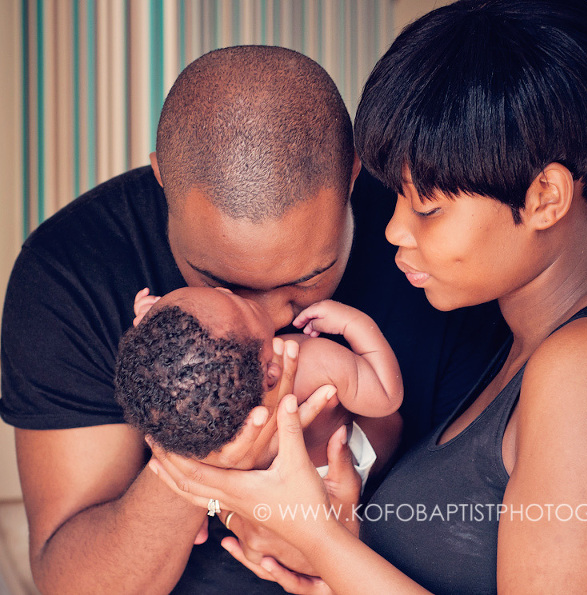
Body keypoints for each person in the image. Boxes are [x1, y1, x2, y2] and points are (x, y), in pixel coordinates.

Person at [148, 1, 587, 593]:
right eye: (397, 197)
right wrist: (334, 564)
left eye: (428, 208)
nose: (393, 230)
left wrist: (320, 541)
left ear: (545, 197)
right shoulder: (534, 343)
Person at [0, 45, 507, 593]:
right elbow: (73, 584)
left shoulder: (439, 251)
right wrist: (192, 465)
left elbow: (491, 522)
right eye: (221, 283)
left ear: (353, 175)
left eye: (306, 278)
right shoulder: (71, 270)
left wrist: (328, 541)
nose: (266, 327)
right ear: (163, 178)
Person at [118, 287, 402, 481]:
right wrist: (355, 324)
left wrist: (154, 325)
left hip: (258, 500)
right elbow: (387, 396)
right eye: (244, 306)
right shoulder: (316, 362)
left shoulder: (192, 409)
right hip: (332, 477)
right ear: (271, 373)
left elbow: (178, 364)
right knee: (391, 424)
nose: (225, 290)